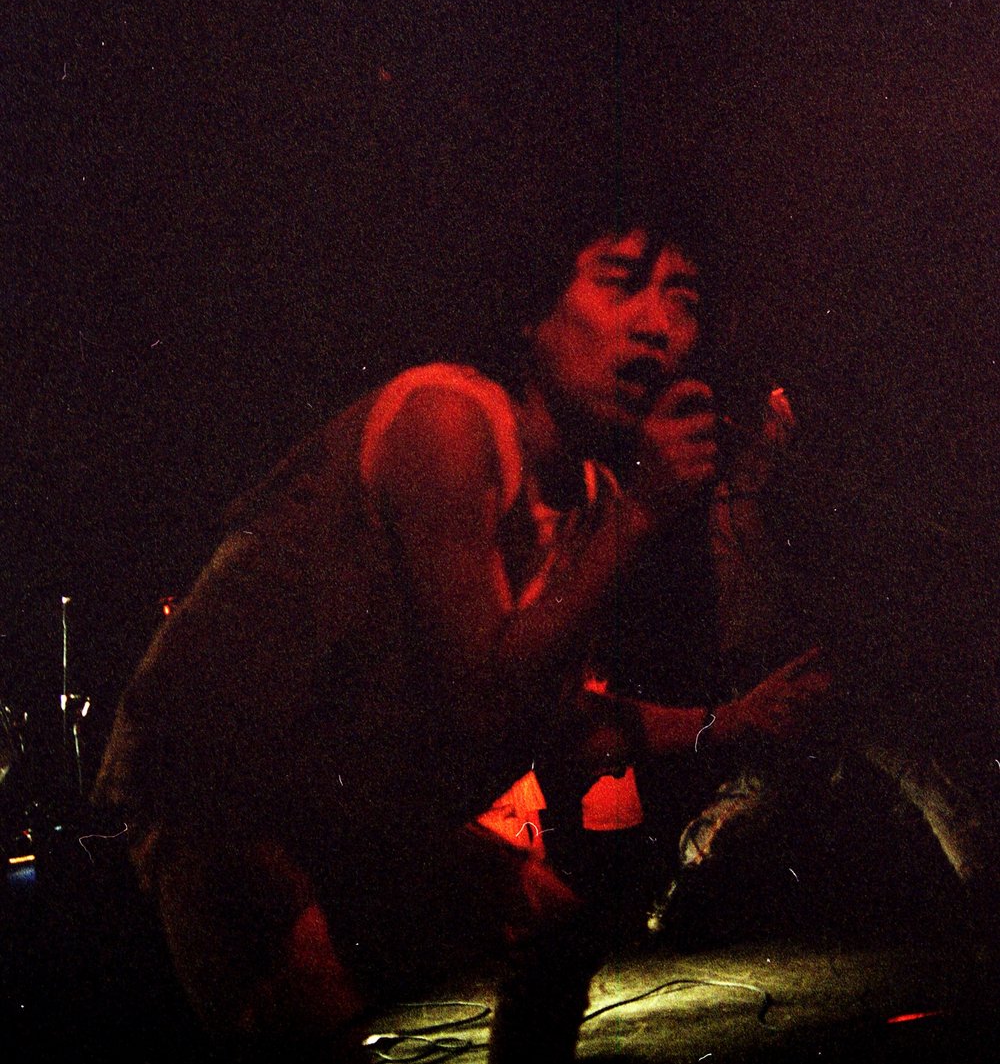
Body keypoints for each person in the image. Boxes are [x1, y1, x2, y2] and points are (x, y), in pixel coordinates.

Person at [93, 200, 830, 1060]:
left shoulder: (584, 494)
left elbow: (558, 716)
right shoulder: (446, 422)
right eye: (622, 283)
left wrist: (727, 721)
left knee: (557, 928)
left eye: (685, 298)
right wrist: (641, 516)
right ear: (532, 308)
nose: (659, 326)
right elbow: (481, 696)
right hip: (218, 784)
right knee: (309, 1019)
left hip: (346, 801)